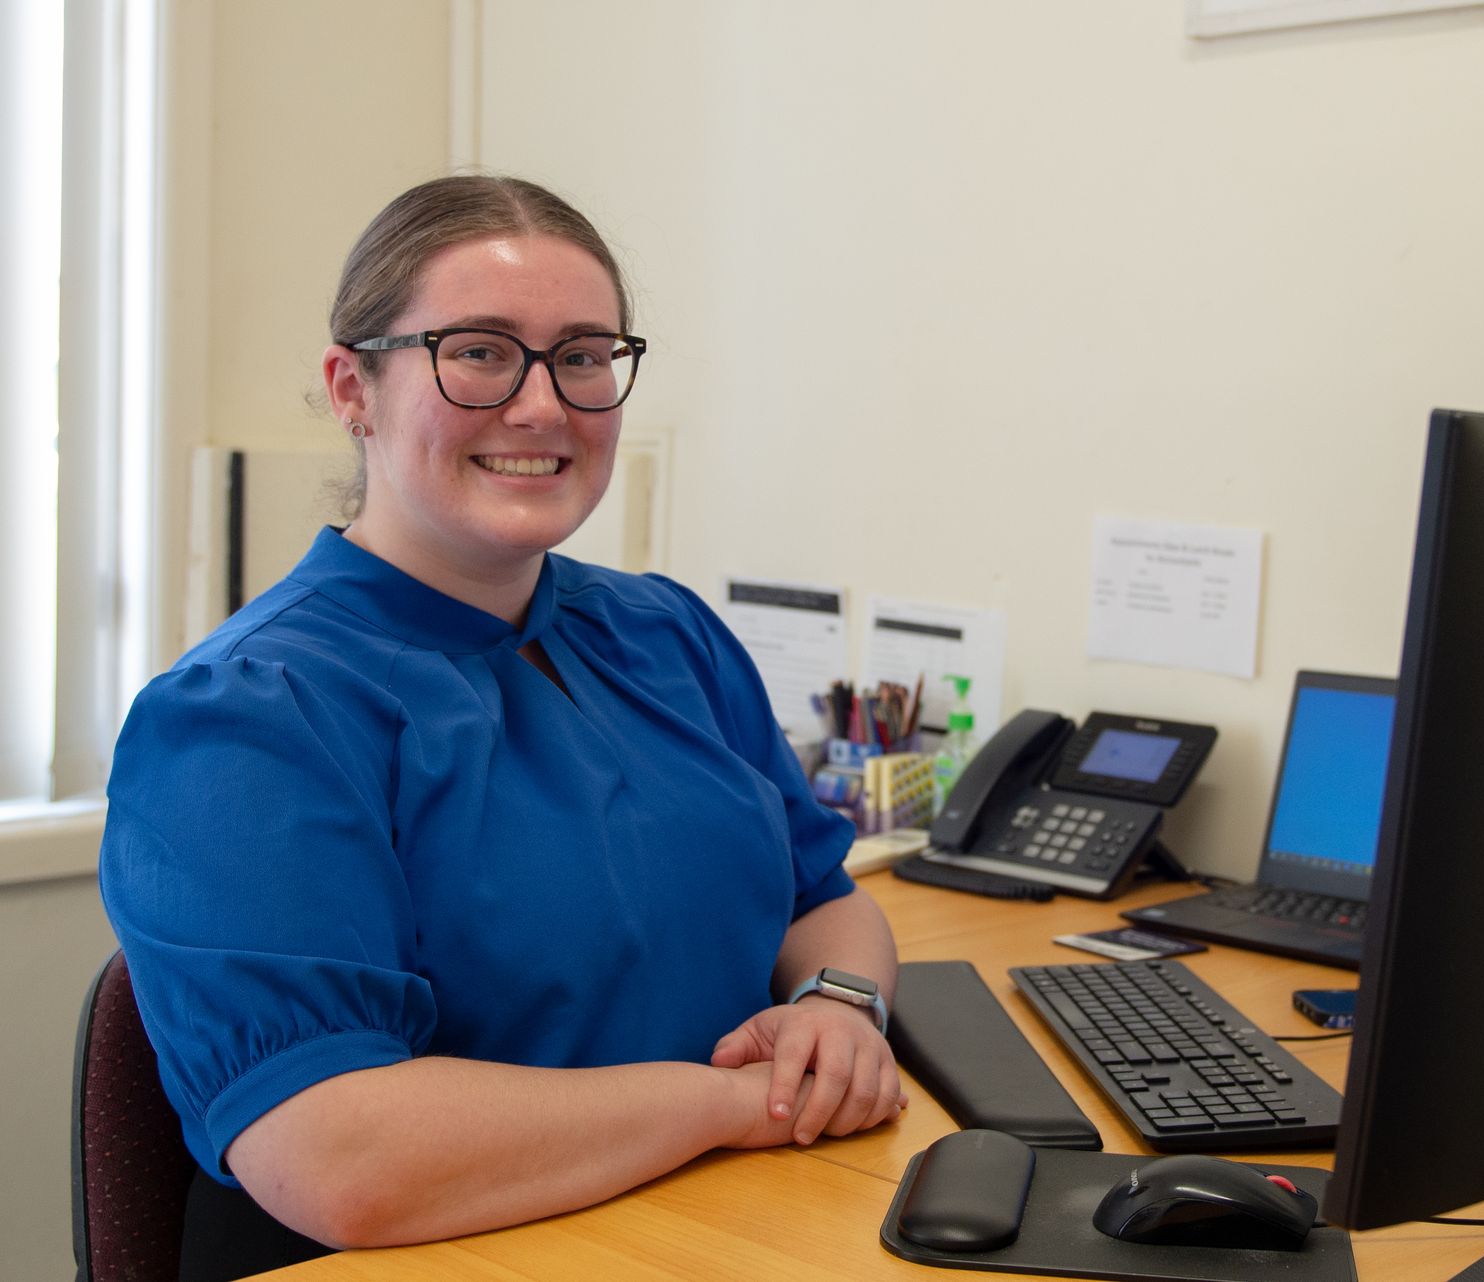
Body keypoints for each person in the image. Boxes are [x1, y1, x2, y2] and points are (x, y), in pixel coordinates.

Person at [98, 175, 904, 1277]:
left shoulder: (668, 633)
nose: (542, 405)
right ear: (354, 388)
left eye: (582, 355)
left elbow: (823, 900)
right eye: (477, 351)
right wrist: (733, 1103)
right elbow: (339, 1155)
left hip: (726, 1226)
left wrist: (841, 1005)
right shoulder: (245, 717)